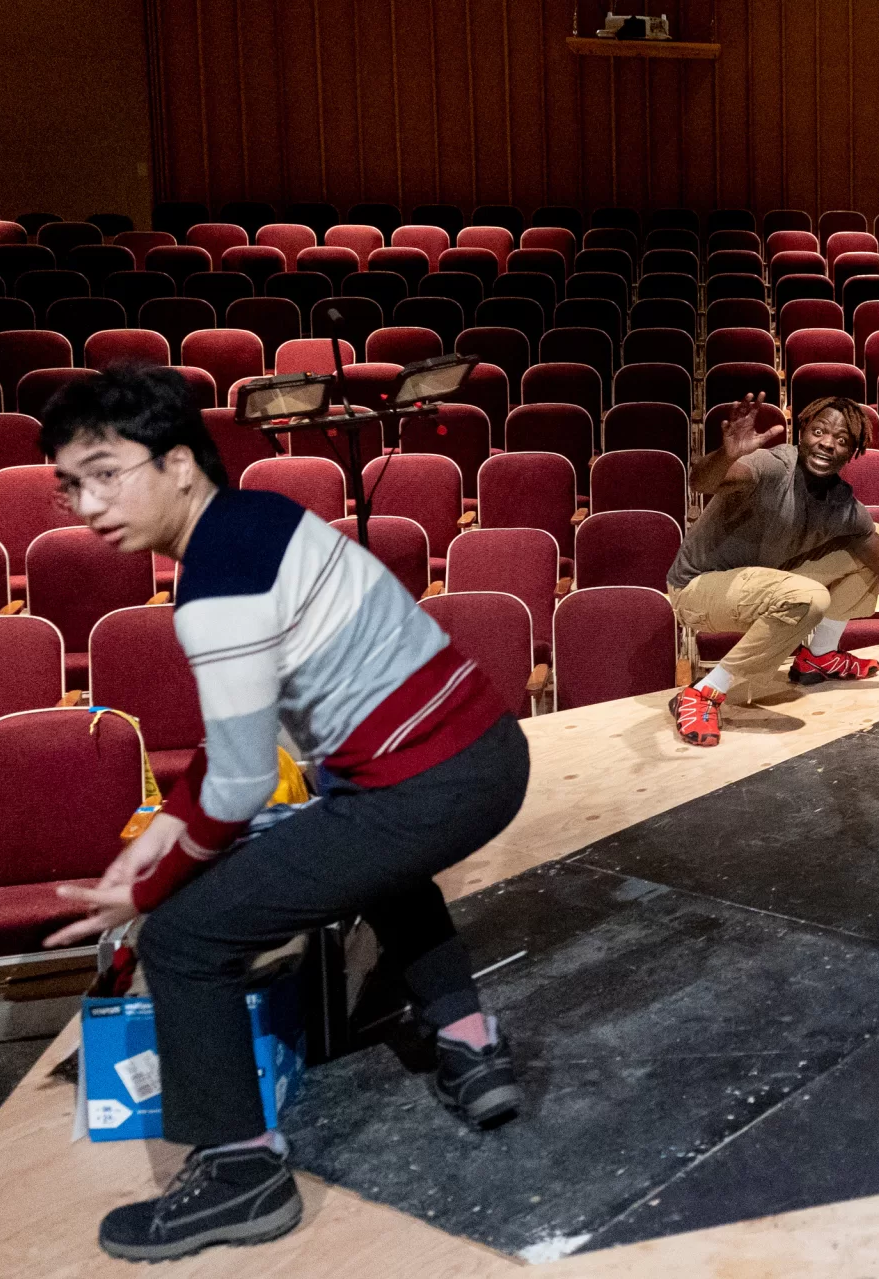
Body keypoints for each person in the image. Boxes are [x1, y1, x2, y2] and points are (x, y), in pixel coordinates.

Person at [38, 368, 532, 1262]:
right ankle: (467, 1039)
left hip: (424, 782)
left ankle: (241, 1175)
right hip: (487, 753)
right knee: (366, 841)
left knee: (183, 937)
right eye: (70, 484)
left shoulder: (218, 583)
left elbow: (235, 784)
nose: (87, 503)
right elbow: (243, 766)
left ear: (180, 463)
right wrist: (166, 834)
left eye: (106, 472)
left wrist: (147, 881)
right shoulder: (263, 516)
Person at [667, 394, 879, 746]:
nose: (827, 443)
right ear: (802, 432)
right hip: (698, 589)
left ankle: (819, 657)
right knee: (809, 597)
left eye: (842, 440)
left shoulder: (842, 505)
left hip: (763, 582)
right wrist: (727, 455)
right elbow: (702, 482)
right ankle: (704, 692)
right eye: (819, 431)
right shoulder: (772, 466)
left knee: (877, 539)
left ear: (853, 452)